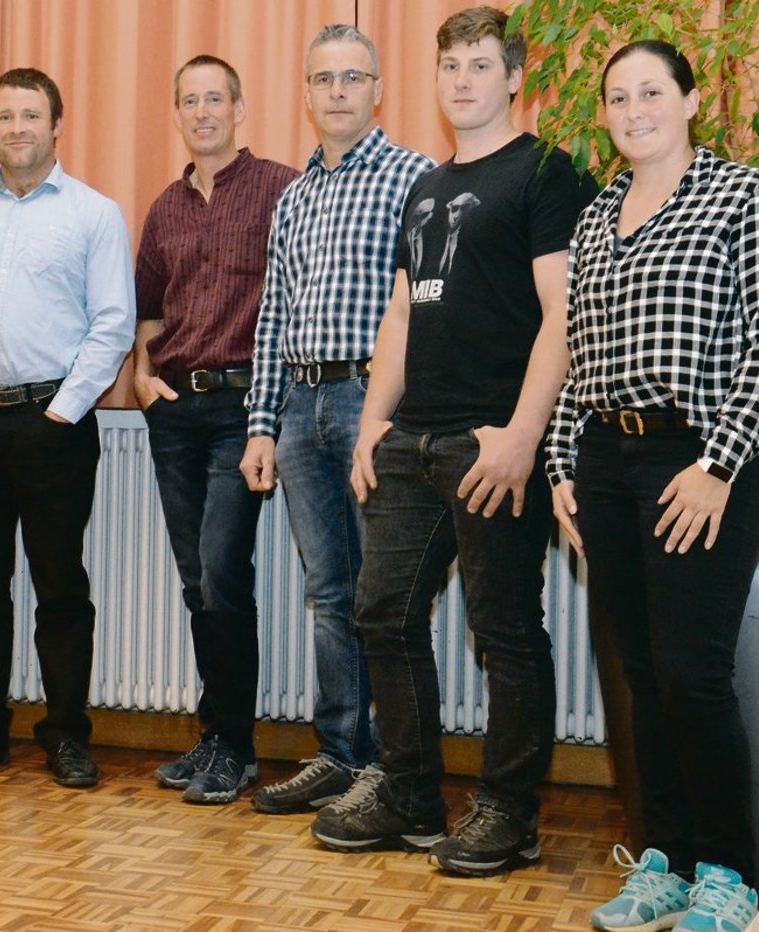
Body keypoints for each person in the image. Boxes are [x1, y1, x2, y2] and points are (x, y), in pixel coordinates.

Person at [309, 7, 596, 875]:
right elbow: (401, 311)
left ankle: (509, 811)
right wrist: (371, 425)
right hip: (412, 441)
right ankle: (411, 794)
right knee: (381, 615)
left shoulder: (548, 173)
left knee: (504, 629)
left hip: (492, 443)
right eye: (451, 66)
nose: (463, 79)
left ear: (514, 76)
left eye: (481, 64)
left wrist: (523, 436)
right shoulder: (424, 187)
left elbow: (564, 314)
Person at [546, 40, 759, 932]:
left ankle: (732, 881)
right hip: (607, 469)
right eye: (617, 97)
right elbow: (577, 364)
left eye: (651, 92)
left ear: (691, 101)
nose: (632, 110)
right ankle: (667, 863)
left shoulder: (749, 197)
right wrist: (559, 471)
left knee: (693, 675)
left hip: (702, 463)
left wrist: (719, 465)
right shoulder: (595, 218)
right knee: (641, 677)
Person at [0, 68, 134, 788]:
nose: (17, 128)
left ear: (56, 125)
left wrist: (62, 413)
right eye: (4, 116)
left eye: (30, 115)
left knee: (60, 587)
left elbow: (112, 325)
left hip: (54, 426)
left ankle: (66, 734)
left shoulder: (93, 214)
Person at [240, 24, 435, 815]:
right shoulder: (294, 196)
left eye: (354, 78)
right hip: (300, 404)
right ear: (307, 92)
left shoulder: (414, 179)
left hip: (372, 405)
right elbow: (272, 315)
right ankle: (340, 755)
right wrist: (261, 423)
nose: (339, 92)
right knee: (329, 590)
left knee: (383, 595)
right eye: (324, 79)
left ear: (378, 89)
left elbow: (428, 310)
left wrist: (395, 413)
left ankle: (395, 766)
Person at [135, 56, 298, 805]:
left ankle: (236, 746)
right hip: (175, 414)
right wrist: (142, 372)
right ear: (176, 114)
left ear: (239, 108)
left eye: (214, 99)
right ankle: (216, 734)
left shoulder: (279, 188)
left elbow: (298, 295)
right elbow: (150, 305)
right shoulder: (165, 206)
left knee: (223, 570)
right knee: (198, 580)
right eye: (188, 101)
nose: (202, 111)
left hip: (244, 410)